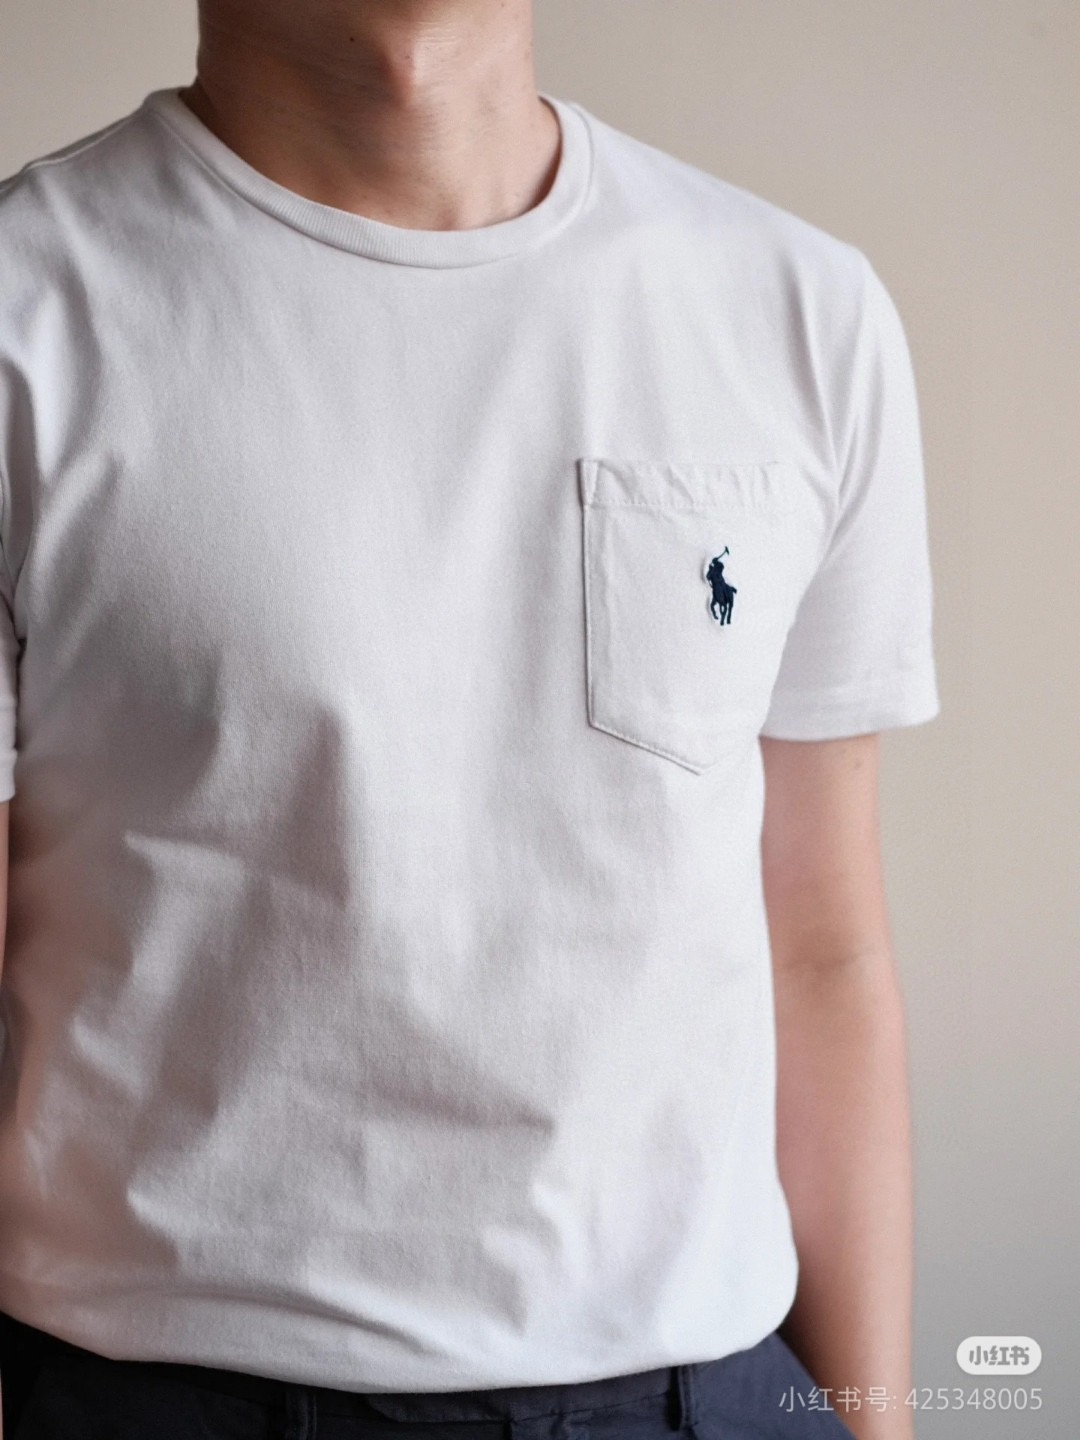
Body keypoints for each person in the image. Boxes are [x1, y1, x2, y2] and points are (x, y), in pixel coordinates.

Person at [0, 1, 940, 1436]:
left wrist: (874, 1417)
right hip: (159, 1388)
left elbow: (822, 948)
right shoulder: (29, 308)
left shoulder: (799, 312)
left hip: (709, 1388)